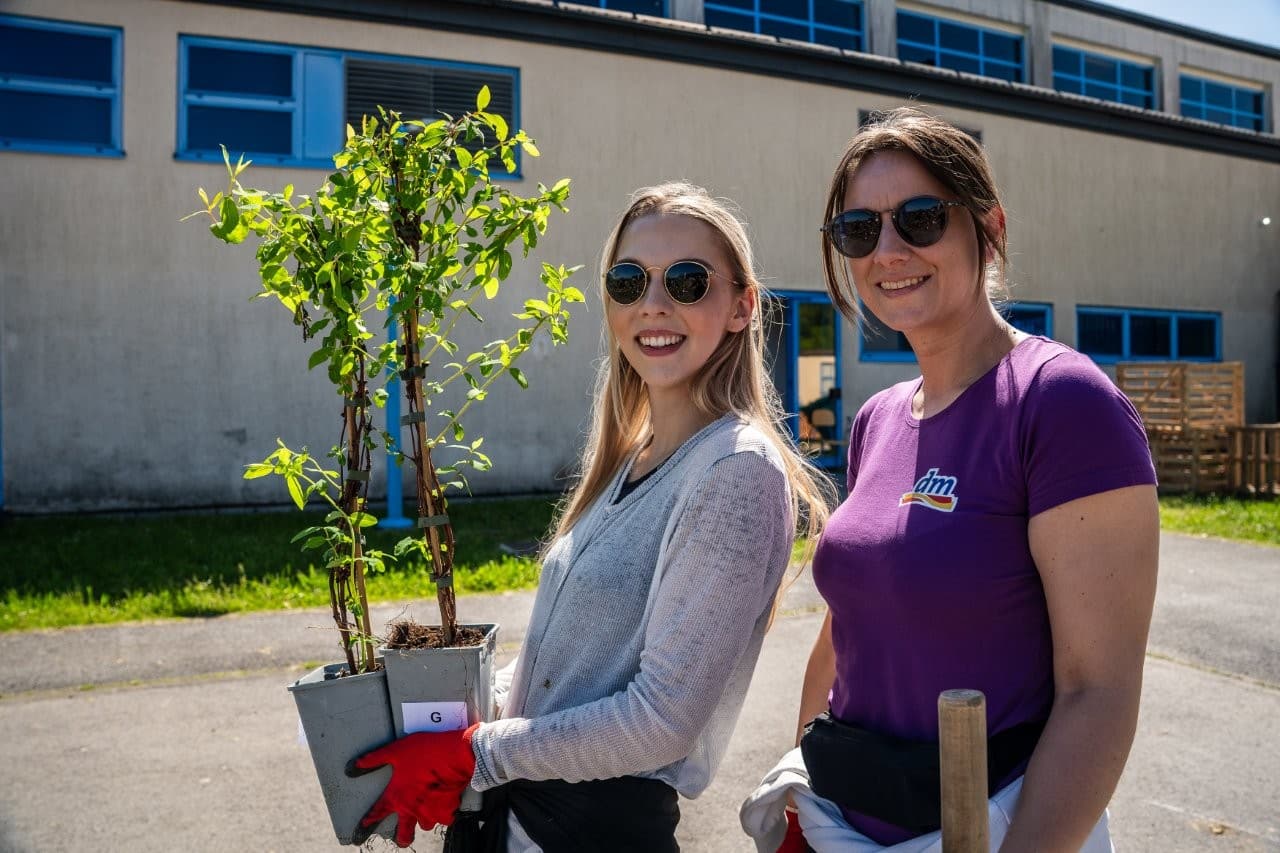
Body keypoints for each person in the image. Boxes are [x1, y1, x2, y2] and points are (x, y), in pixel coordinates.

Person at [350, 181, 834, 851]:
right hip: (513, 822)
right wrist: (444, 718)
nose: (653, 304)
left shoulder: (735, 471)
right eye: (629, 281)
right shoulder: (631, 456)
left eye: (687, 281)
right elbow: (563, 675)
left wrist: (474, 753)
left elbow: (661, 720)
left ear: (741, 306)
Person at [744, 107, 1159, 852]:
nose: (888, 250)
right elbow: (850, 625)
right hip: (844, 818)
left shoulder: (1061, 402)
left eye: (921, 218)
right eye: (858, 230)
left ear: (989, 226)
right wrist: (800, 780)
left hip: (988, 827)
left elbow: (1098, 693)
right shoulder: (877, 419)